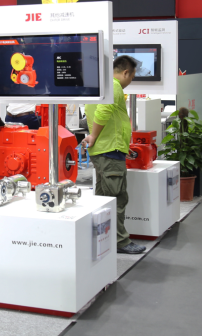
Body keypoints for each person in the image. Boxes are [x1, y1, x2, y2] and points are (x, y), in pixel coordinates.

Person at [82, 55, 146, 255]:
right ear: (126, 72)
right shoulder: (115, 86)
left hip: (103, 150)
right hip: (110, 151)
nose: (131, 81)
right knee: (117, 198)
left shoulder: (100, 86)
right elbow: (103, 112)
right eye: (132, 77)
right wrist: (94, 135)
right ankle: (121, 242)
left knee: (103, 198)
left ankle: (102, 238)